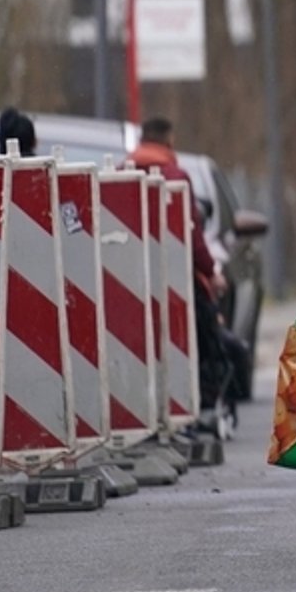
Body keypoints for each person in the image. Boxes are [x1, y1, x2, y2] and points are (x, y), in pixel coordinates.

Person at [125, 116, 235, 438]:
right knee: (199, 340)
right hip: (176, 284)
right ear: (169, 141)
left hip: (129, 282)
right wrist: (211, 273)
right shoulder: (175, 177)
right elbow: (192, 236)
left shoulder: (121, 174)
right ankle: (193, 411)